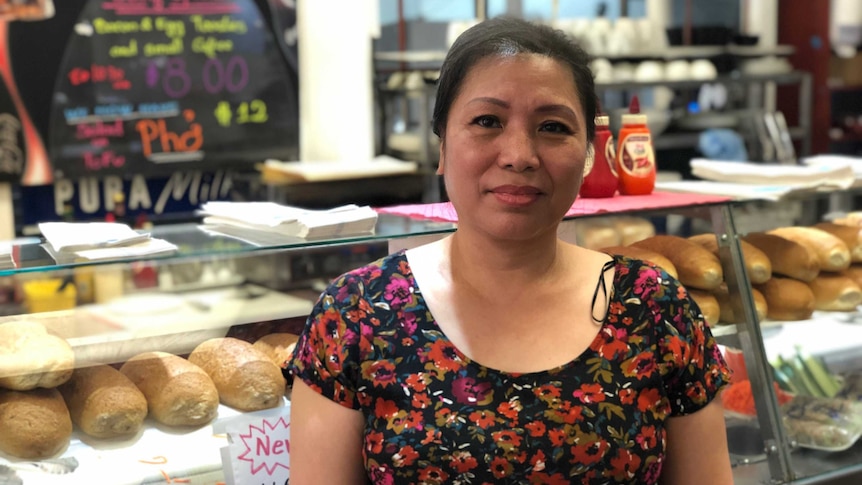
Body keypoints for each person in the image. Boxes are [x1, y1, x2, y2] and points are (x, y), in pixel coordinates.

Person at [288, 17, 733, 485]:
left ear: (587, 154)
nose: (519, 154)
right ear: (441, 145)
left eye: (553, 127)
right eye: (487, 121)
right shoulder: (355, 313)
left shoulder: (654, 308)